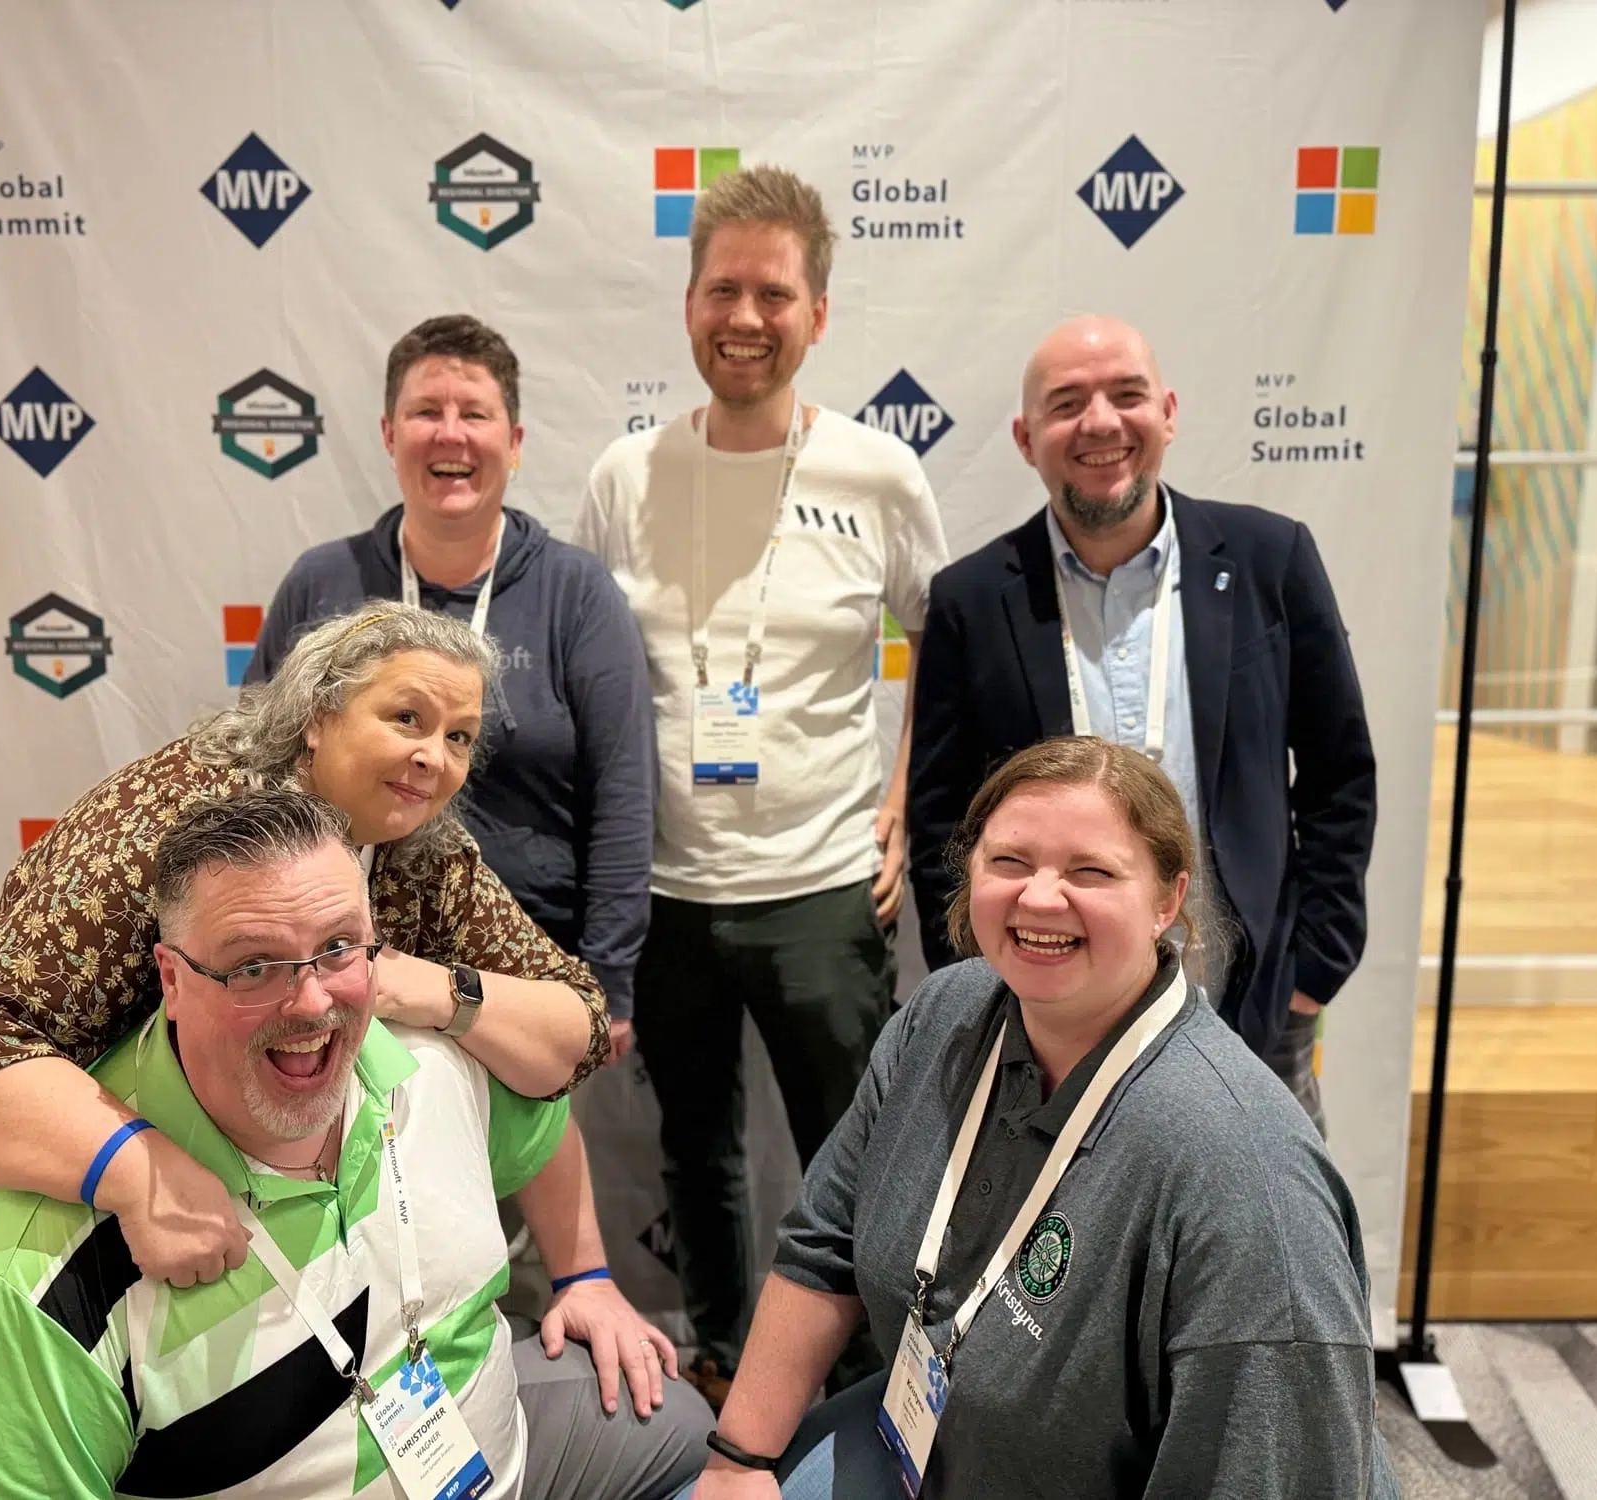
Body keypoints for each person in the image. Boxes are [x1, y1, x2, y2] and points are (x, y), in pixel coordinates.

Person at [0, 788, 712, 1499]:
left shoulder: (436, 1070)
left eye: (338, 948)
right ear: (170, 977)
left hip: (483, 1454)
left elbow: (542, 1121)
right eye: (254, 965)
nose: (309, 1003)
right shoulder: (35, 1277)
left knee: (677, 1423)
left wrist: (589, 1275)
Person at [682, 738, 1399, 1499]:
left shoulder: (1243, 1177)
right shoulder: (944, 1016)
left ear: (1166, 901)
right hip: (928, 1447)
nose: (1040, 899)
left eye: (1091, 872)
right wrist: (738, 1460)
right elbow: (824, 1244)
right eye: (1010, 862)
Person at [0, 602, 611, 1281]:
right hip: (21, 1116)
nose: (434, 756)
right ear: (318, 719)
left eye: (458, 737)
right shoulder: (174, 823)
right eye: (406, 718)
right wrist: (138, 1171)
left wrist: (431, 988)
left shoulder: (422, 847)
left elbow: (576, 1022)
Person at [577, 164, 950, 1404]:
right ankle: (729, 1360)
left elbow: (948, 657)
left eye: (772, 293)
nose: (745, 316)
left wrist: (902, 800)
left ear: (817, 314)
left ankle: (849, 1382)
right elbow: (589, 678)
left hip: (823, 886)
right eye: (721, 288)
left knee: (851, 1151)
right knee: (696, 1153)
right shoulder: (622, 477)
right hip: (668, 891)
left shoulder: (878, 475)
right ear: (687, 302)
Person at [907, 315, 1375, 1133]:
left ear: (1167, 413)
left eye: (1126, 396)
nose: (1099, 423)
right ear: (1026, 437)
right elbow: (942, 823)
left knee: (1262, 1249)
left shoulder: (1272, 561)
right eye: (1066, 404)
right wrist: (992, 984)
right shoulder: (972, 601)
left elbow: (1340, 773)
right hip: (1050, 1020)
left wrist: (1311, 969)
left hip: (1249, 1013)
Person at [245, 314, 655, 1064]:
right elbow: (254, 774)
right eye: (426, 412)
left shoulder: (577, 593)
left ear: (516, 442)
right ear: (389, 434)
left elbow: (623, 796)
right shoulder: (322, 584)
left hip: (526, 968)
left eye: (475, 414)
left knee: (519, 1175)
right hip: (328, 964)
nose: (450, 434)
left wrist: (609, 983)